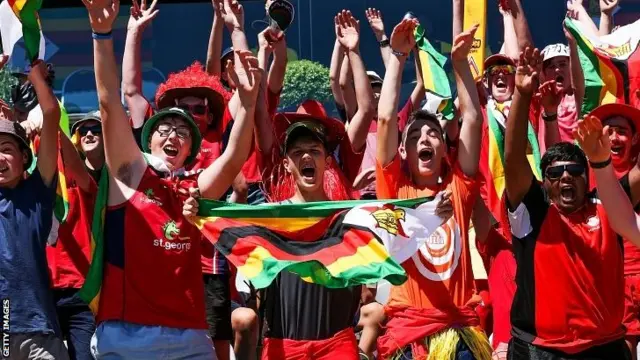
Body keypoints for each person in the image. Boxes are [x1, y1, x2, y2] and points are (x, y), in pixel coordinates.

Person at [83, 0, 261, 358]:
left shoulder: (194, 189)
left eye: (182, 131)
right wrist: (103, 34)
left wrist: (250, 98)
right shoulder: (129, 175)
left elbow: (232, 159)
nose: (172, 135)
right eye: (163, 128)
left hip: (190, 338)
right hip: (126, 335)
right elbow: (108, 103)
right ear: (146, 140)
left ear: (190, 150)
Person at [373, 18, 492, 359]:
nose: (424, 138)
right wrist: (397, 56)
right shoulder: (395, 189)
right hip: (409, 339)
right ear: (404, 153)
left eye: (433, 135)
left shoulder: (459, 188)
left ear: (443, 151)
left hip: (460, 337)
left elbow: (472, 120)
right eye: (414, 137)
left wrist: (460, 67)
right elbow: (384, 121)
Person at [503, 47, 630, 359]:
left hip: (606, 348)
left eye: (574, 171)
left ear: (587, 178)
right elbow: (513, 159)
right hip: (540, 351)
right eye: (555, 173)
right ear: (545, 183)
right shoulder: (534, 212)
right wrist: (521, 93)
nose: (565, 178)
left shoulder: (609, 207)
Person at [0, 61, 66, 359]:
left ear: (25, 156)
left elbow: (51, 115)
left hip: (40, 331)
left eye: (7, 149)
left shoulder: (38, 193)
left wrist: (37, 79)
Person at [45, 110, 105, 360]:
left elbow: (73, 164)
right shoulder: (37, 181)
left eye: (96, 129)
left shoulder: (87, 181)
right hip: (44, 291)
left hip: (81, 292)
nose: (89, 134)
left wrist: (51, 125)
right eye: (83, 130)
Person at [581, 103, 640, 359]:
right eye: (609, 131)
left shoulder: (635, 174)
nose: (615, 138)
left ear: (635, 138)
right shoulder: (585, 175)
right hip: (610, 282)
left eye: (622, 131)